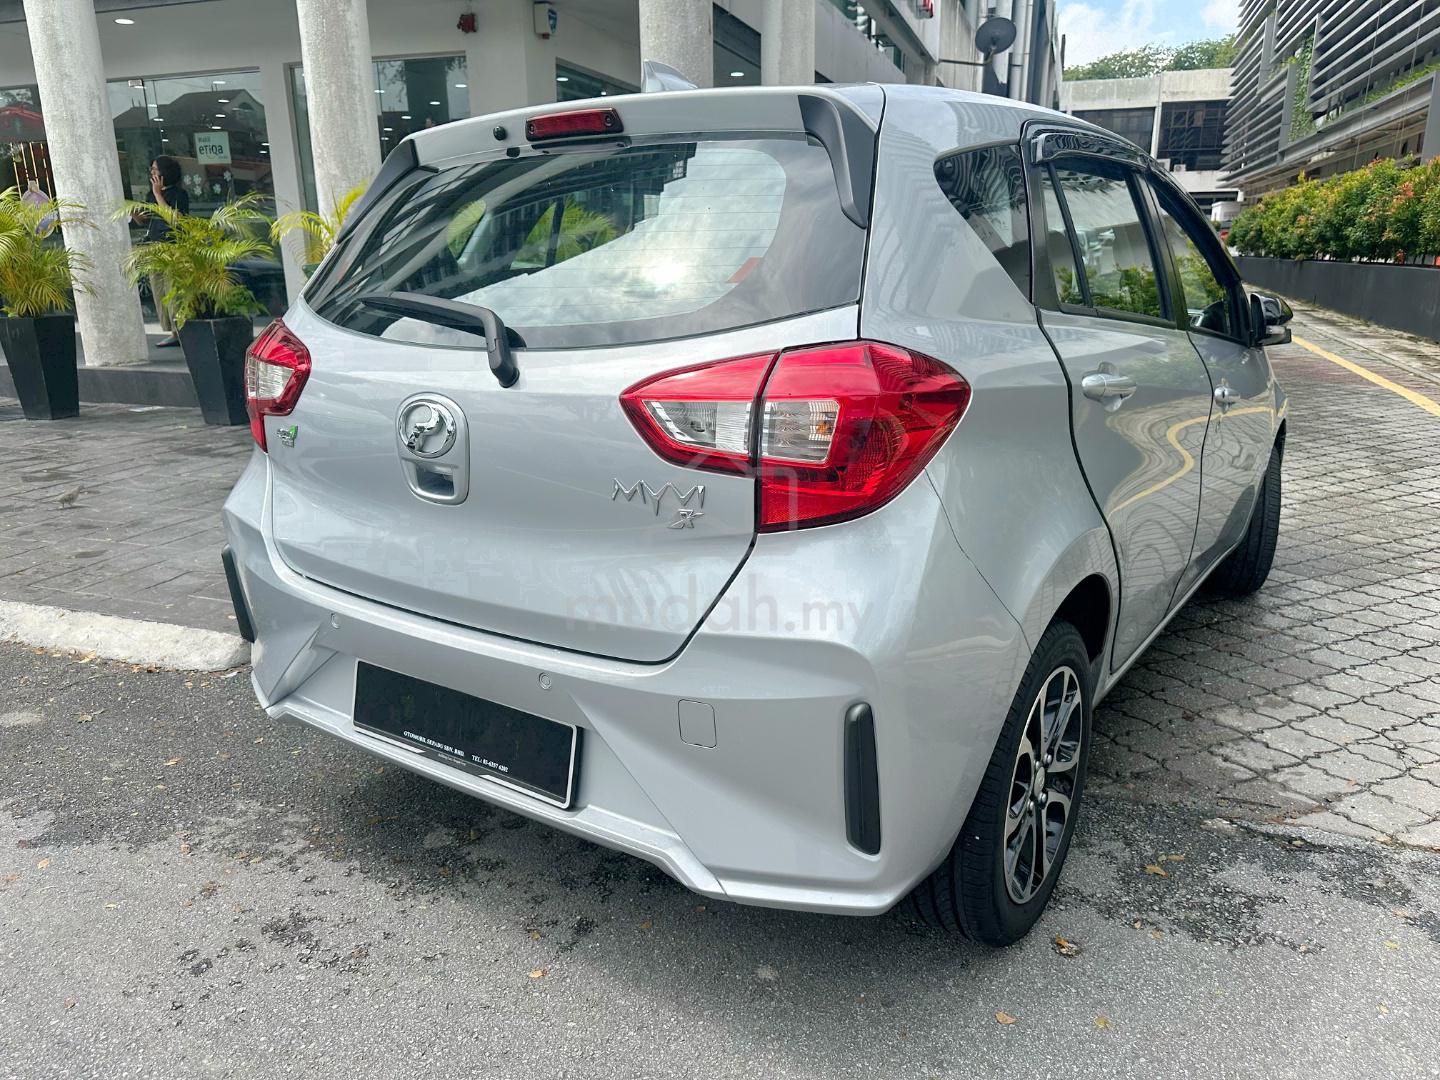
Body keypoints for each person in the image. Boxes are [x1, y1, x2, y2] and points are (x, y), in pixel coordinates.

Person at [138, 156, 189, 347]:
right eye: (151, 169)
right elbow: (145, 220)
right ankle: (171, 331)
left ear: (165, 172)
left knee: (173, 290)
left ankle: (181, 330)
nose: (152, 173)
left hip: (173, 247)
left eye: (155, 169)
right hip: (155, 245)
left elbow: (174, 219)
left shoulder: (179, 194)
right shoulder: (151, 195)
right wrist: (134, 213)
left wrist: (158, 194)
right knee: (159, 290)